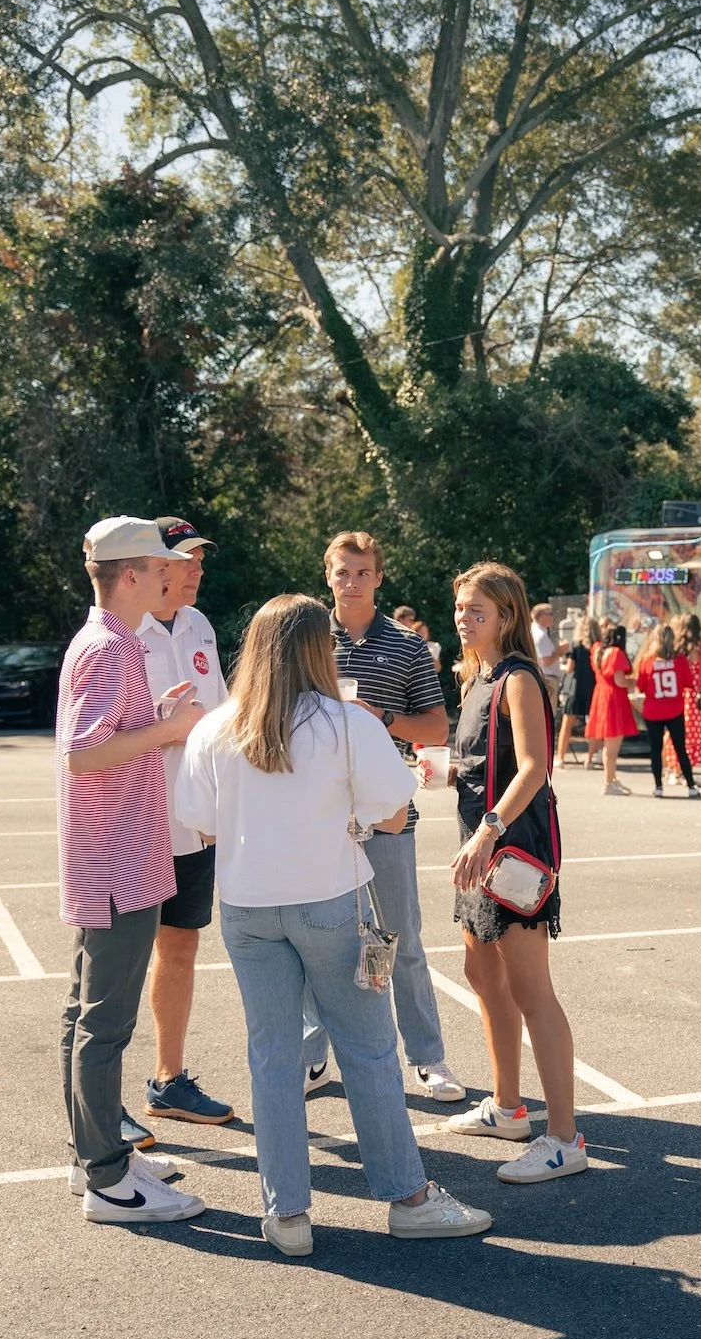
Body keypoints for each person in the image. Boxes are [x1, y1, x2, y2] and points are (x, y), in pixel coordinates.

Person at [175, 594, 492, 1255]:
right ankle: (407, 1198)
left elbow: (200, 825)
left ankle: (286, 1213)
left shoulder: (215, 727)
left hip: (248, 910)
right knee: (370, 1048)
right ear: (319, 649)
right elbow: (395, 817)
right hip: (333, 904)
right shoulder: (346, 724)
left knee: (273, 1058)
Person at [57, 515, 208, 1225]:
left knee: (84, 1016)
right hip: (117, 858)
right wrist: (169, 730)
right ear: (129, 577)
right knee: (103, 1023)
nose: (168, 575)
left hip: (111, 856)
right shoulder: (111, 646)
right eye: (157, 566)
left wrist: (154, 715)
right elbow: (82, 754)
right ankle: (108, 1179)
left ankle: (94, 1152)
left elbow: (103, 738)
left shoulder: (107, 642)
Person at [306, 532, 465, 1103]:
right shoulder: (301, 638)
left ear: (379, 578)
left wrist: (381, 718)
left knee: (400, 939)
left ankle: (428, 1058)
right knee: (318, 943)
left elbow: (437, 728)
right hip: (315, 814)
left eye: (363, 572)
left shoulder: (405, 645)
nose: (352, 582)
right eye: (343, 572)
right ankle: (312, 1058)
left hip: (388, 812)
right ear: (328, 575)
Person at [444, 564, 586, 1184]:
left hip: (512, 846)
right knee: (483, 974)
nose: (464, 619)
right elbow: (480, 762)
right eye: (460, 609)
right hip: (483, 845)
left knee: (531, 990)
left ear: (506, 616)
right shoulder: (478, 676)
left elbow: (534, 768)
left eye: (477, 611)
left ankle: (565, 1138)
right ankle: (507, 1108)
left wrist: (488, 829)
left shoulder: (520, 679)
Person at [133, 516, 233, 1134]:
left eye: (200, 559)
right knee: (117, 962)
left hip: (193, 822)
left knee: (181, 947)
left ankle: (168, 1080)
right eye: (188, 559)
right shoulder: (121, 630)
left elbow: (218, 716)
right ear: (157, 565)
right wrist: (164, 721)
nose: (198, 569)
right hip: (138, 822)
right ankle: (100, 1105)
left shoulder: (199, 625)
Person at [635, 624, 701, 798]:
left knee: (655, 750)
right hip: (675, 709)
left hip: (653, 711)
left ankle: (658, 786)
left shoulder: (647, 661)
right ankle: (691, 786)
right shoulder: (680, 660)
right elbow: (688, 682)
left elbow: (641, 686)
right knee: (681, 749)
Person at [584, 622, 638, 796]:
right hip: (614, 698)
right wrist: (633, 681)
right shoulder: (616, 653)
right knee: (612, 745)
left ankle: (612, 778)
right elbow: (620, 681)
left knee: (609, 741)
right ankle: (608, 781)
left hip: (601, 695)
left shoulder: (598, 650)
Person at [664, 613, 701, 781]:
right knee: (693, 735)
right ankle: (686, 772)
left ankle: (673, 770)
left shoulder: (676, 648)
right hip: (695, 696)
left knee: (674, 733)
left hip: (678, 694)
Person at [556, 614, 600, 766]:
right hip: (593, 687)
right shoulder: (598, 646)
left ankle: (560, 758)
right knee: (592, 724)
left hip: (575, 688)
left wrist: (560, 665)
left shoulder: (575, 645)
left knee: (566, 725)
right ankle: (590, 758)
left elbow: (569, 668)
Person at [530, 602, 562, 711]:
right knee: (548, 714)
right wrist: (560, 650)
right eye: (551, 613)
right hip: (548, 679)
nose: (553, 617)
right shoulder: (541, 635)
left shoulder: (534, 631)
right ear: (543, 615)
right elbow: (547, 661)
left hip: (541, 677)